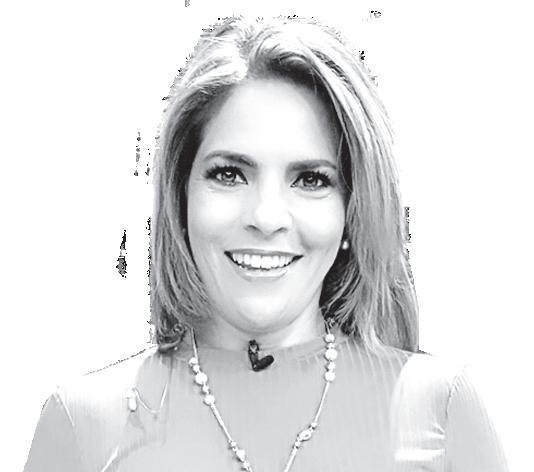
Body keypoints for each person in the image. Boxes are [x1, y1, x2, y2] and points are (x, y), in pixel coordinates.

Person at [23, 15, 509, 472]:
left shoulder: (442, 410)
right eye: (229, 174)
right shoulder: (81, 425)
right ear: (180, 196)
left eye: (311, 179)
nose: (267, 217)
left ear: (352, 210)